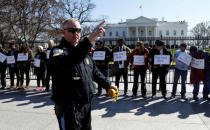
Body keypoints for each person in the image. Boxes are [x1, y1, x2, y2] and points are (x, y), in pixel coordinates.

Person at [49, 18, 117, 130]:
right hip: (68, 107)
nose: (76, 33)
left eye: (78, 30)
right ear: (63, 32)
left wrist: (108, 84)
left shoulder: (84, 51)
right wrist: (90, 39)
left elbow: (94, 71)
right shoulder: (58, 51)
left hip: (85, 104)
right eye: (72, 30)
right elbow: (69, 61)